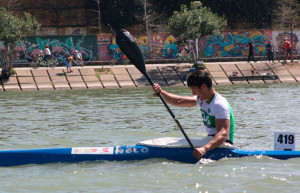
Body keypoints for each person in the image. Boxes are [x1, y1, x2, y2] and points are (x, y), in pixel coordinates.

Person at [152, 70, 235, 160]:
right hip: (211, 141)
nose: (193, 93)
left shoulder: (219, 104)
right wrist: (161, 92)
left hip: (223, 144)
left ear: (203, 86)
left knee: (178, 143)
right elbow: (179, 101)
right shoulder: (202, 99)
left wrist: (204, 148)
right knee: (173, 141)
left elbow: (223, 134)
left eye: (194, 89)